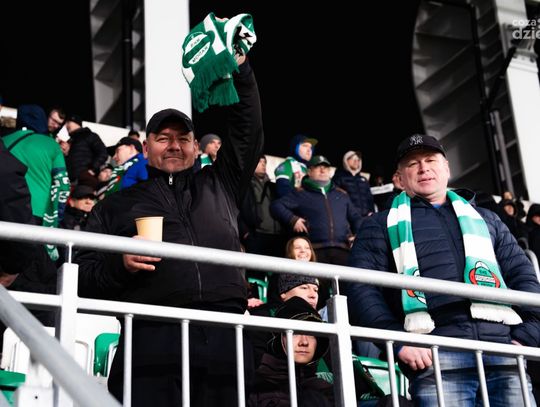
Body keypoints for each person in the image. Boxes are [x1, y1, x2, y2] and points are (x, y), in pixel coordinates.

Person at [76, 56, 263, 406]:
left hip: (225, 332)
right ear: (146, 149)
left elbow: (247, 128)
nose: (174, 145)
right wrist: (121, 264)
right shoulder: (116, 205)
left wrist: (241, 69)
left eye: (183, 139)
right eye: (163, 138)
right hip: (152, 334)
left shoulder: (220, 183)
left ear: (196, 148)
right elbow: (81, 275)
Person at [346, 133, 540, 406]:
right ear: (400, 178)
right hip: (436, 356)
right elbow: (361, 287)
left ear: (446, 168)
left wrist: (526, 336)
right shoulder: (380, 224)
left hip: (504, 352)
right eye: (413, 163)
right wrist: (399, 341)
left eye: (430, 160)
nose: (423, 168)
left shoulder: (487, 219)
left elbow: (524, 276)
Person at [247, 296, 334, 407]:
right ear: (279, 338)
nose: (304, 342)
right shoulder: (256, 387)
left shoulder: (327, 390)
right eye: (295, 333)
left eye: (311, 333)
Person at [64, 114, 108, 188]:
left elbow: (103, 153)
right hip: (70, 182)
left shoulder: (89, 135)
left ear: (76, 122)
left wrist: (92, 169)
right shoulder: (70, 141)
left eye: (68, 122)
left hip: (85, 181)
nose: (66, 126)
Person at [332, 150, 375, 217]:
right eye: (353, 159)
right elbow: (335, 198)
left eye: (358, 160)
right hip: (348, 218)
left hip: (366, 217)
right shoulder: (339, 177)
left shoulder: (363, 179)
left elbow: (370, 198)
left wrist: (372, 213)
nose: (356, 161)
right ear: (346, 161)